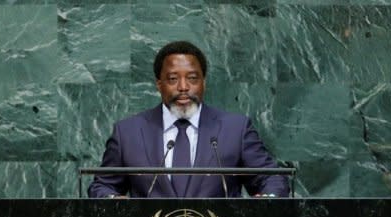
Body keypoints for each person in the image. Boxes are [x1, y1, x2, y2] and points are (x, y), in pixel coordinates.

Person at [88, 41, 289, 198]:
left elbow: (272, 179)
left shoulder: (235, 129)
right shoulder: (128, 133)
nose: (183, 87)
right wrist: (112, 199)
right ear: (159, 84)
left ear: (204, 83)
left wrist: (268, 199)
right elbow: (103, 185)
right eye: (173, 79)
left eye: (192, 78)